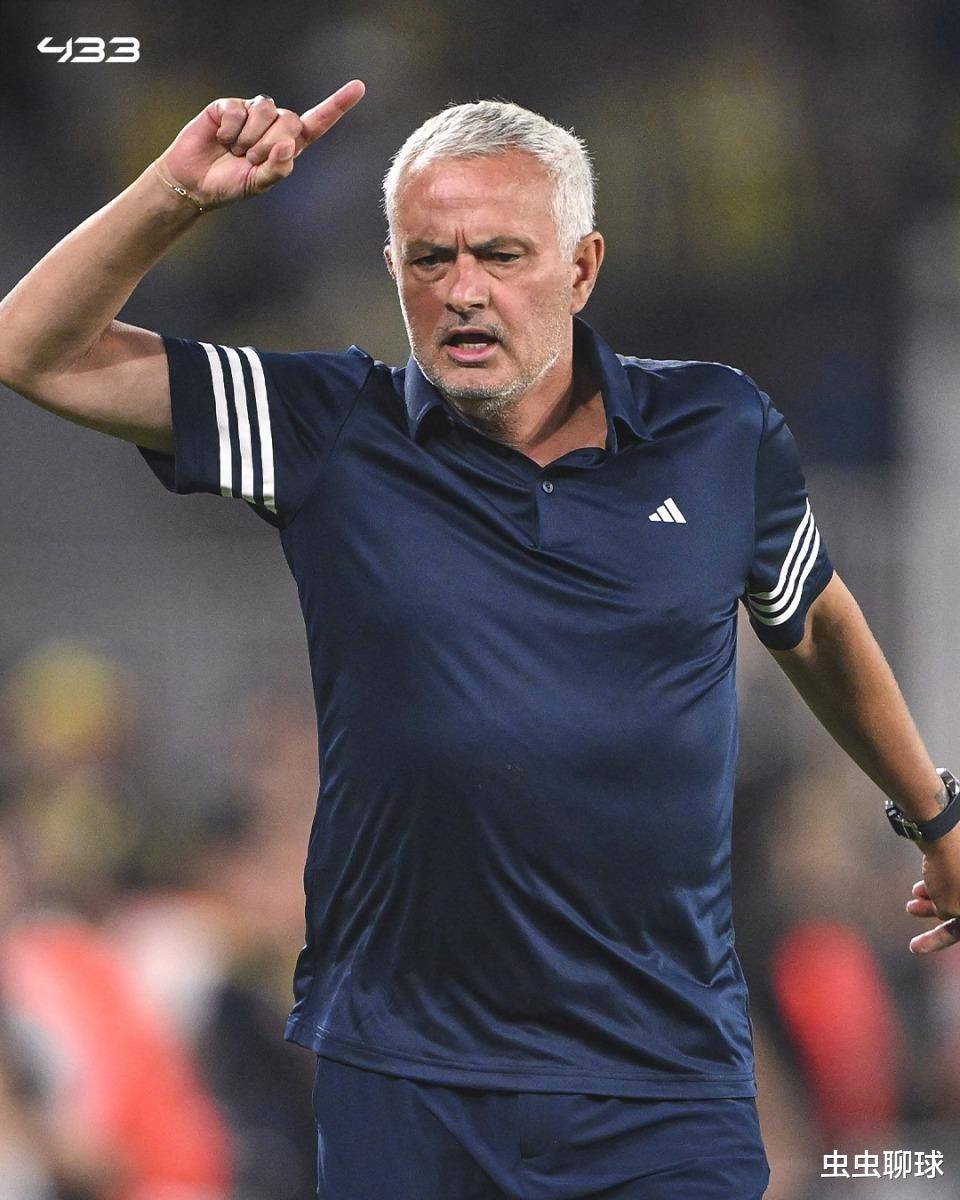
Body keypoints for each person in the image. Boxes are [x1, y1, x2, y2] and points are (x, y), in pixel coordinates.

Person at [1, 79, 959, 1200]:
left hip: (662, 1083)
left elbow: (812, 615)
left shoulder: (717, 431)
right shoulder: (328, 428)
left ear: (582, 268)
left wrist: (934, 817)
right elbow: (32, 348)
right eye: (428, 260)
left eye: (501, 256)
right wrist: (176, 195)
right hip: (407, 1081)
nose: (462, 291)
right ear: (393, 269)